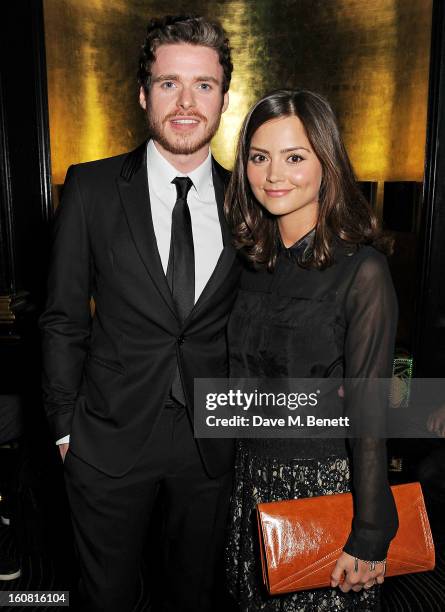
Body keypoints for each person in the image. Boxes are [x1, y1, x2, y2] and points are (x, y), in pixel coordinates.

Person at [39, 15, 240, 612]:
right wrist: (63, 425)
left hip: (211, 443)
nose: (185, 102)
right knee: (106, 598)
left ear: (224, 97)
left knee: (195, 597)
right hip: (105, 435)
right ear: (142, 93)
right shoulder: (92, 188)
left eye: (203, 85)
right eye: (168, 83)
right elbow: (62, 317)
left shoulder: (250, 198)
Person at [224, 89, 399, 611]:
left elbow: (371, 411)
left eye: (294, 157)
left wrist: (369, 531)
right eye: (259, 157)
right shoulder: (248, 265)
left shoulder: (362, 271)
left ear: (327, 163)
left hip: (322, 487)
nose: (273, 174)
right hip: (246, 484)